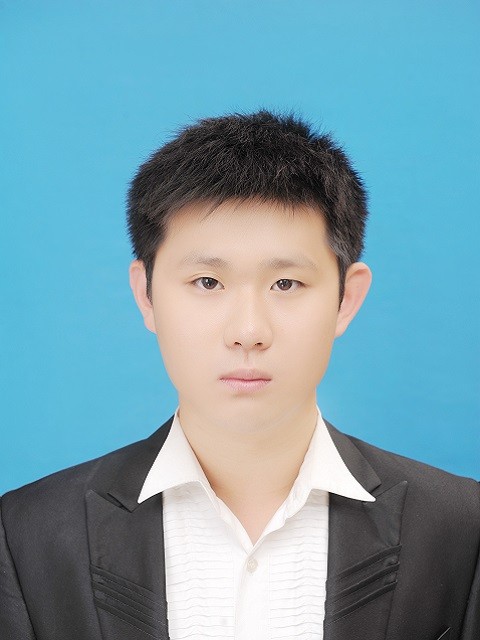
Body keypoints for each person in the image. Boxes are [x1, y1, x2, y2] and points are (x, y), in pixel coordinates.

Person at [0, 110, 478, 640]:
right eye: (207, 282)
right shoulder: (26, 534)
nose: (248, 331)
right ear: (146, 294)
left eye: (286, 284)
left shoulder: (461, 527)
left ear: (347, 298)